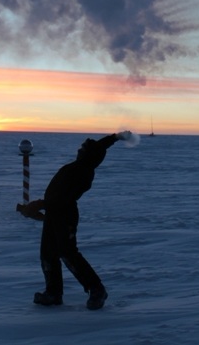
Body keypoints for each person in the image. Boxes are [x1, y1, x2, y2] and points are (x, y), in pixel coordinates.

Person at [19, 131, 132, 310]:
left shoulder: (82, 170)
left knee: (68, 252)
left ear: (87, 153)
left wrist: (39, 205)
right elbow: (99, 147)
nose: (79, 150)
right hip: (54, 212)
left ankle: (96, 289)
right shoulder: (79, 165)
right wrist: (115, 137)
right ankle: (53, 293)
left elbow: (62, 198)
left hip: (64, 214)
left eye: (82, 148)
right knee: (48, 253)